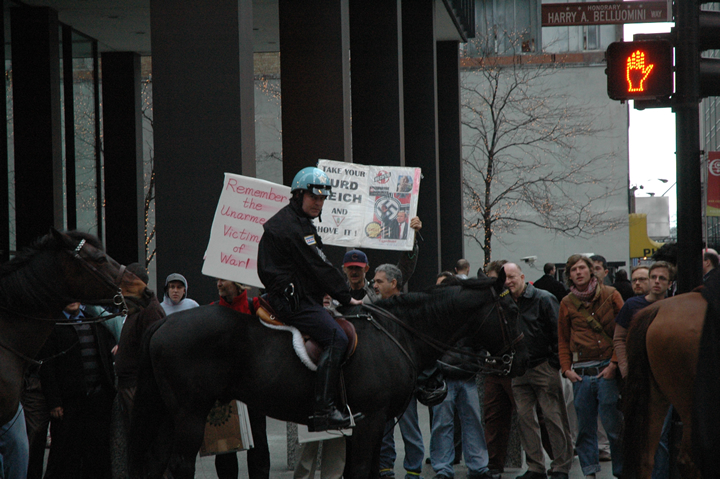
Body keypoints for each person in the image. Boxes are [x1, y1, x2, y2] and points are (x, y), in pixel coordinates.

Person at [257, 166, 363, 432]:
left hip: (297, 295)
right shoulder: (293, 227)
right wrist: (345, 296)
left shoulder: (297, 221)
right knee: (336, 338)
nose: (318, 202)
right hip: (293, 301)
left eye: (322, 198)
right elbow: (319, 265)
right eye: (313, 196)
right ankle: (323, 409)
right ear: (298, 195)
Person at [504, 263, 573, 479]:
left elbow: (559, 332)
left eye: (512, 277)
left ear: (522, 276)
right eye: (504, 279)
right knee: (526, 421)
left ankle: (561, 466)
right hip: (519, 370)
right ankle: (535, 467)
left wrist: (554, 363)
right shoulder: (505, 303)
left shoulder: (543, 298)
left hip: (544, 366)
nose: (508, 282)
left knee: (554, 419)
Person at [558, 254, 623, 479]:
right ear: (569, 276)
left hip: (606, 368)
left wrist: (614, 364)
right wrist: (566, 369)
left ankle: (622, 471)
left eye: (582, 268)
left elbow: (623, 333)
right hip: (581, 371)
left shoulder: (611, 295)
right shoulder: (566, 303)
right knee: (585, 428)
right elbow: (562, 339)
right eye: (573, 269)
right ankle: (589, 473)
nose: (578, 272)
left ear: (591, 271)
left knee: (613, 425)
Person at [40, 303, 117, 479]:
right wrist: (54, 402)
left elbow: (105, 352)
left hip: (97, 399)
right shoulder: (55, 324)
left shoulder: (93, 319)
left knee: (97, 453)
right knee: (66, 454)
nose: (72, 300)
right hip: (68, 404)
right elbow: (48, 367)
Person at [429, 273, 495, 479]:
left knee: (466, 422)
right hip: (449, 377)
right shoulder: (435, 315)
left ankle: (462, 467)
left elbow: (480, 344)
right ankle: (450, 467)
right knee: (450, 423)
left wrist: (474, 364)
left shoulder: (447, 315)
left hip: (461, 376)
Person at [212, 279, 270, 479]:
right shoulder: (213, 310)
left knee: (259, 444)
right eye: (217, 279)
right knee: (225, 448)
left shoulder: (256, 307)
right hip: (225, 391)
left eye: (222, 279)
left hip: (254, 389)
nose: (218, 283)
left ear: (236, 283)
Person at [374, 264, 425, 479]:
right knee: (384, 428)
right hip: (382, 381)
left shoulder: (410, 308)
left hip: (405, 381)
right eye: (374, 281)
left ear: (393, 283)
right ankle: (385, 469)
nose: (374, 285)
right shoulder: (374, 308)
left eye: (379, 281)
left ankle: (413, 470)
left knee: (409, 426)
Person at [115, 263, 166, 421]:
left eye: (127, 285)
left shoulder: (151, 310)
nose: (123, 290)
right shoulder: (136, 307)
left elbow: (156, 351)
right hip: (129, 385)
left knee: (142, 431)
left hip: (137, 387)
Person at [480, 260, 514, 475]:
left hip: (515, 367)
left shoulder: (516, 301)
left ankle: (547, 465)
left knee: (533, 418)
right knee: (492, 419)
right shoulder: (487, 304)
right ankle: (494, 465)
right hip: (493, 368)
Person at [343, 215, 421, 302]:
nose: (354, 272)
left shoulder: (377, 289)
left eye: (358, 268)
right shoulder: (338, 292)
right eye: (350, 268)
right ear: (344, 269)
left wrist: (411, 238)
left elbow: (405, 267)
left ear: (366, 268)